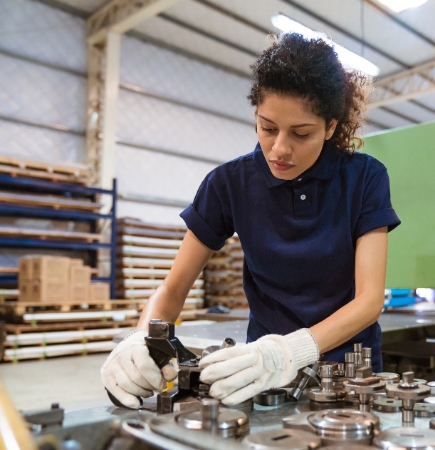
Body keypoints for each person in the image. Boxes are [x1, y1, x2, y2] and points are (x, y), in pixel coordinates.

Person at [101, 33, 400, 408]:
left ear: (329, 126)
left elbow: (369, 301)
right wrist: (140, 340)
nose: (279, 149)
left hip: (348, 376)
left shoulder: (365, 179)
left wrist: (289, 351)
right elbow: (173, 289)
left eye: (301, 133)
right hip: (258, 375)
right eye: (267, 127)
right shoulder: (229, 184)